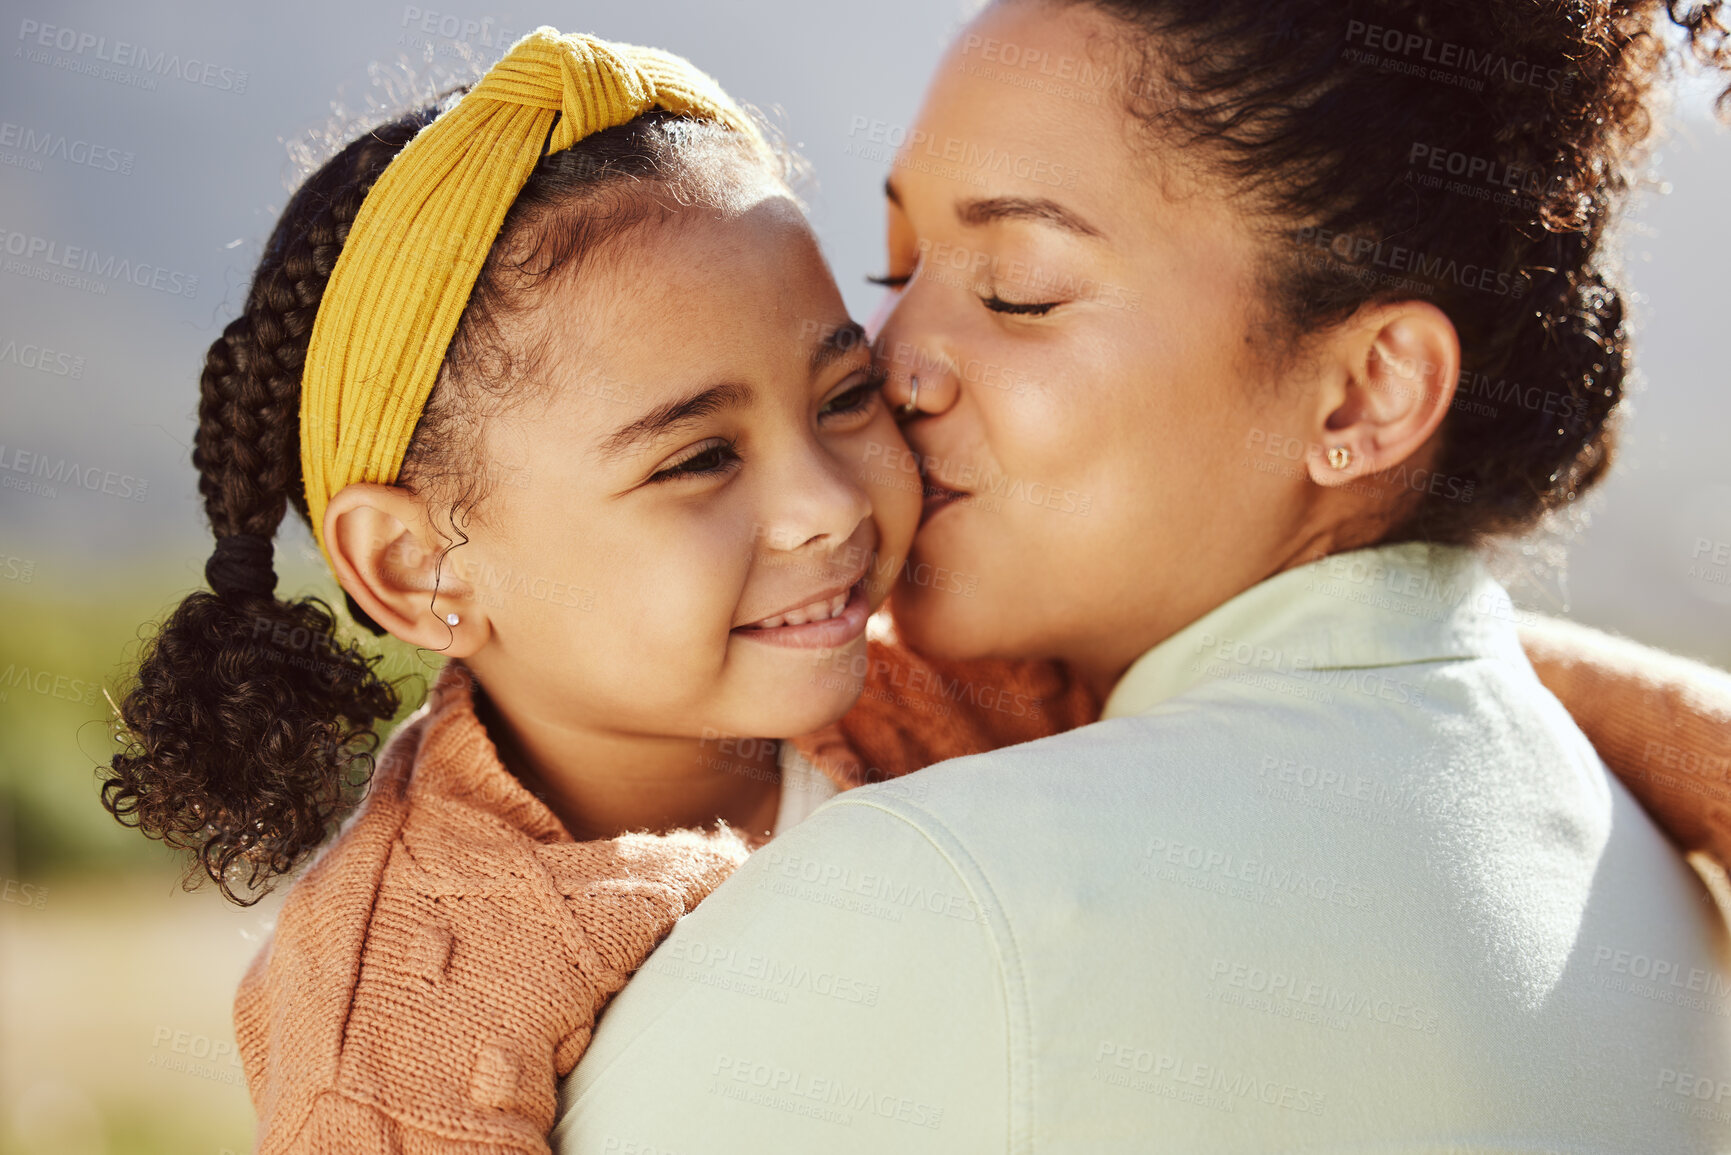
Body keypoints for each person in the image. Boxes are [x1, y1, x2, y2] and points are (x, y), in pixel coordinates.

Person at [552, 1, 1731, 1151]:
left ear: (1367, 393)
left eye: (1020, 290)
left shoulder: (928, 893)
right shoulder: (1672, 908)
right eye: (900, 267)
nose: (888, 364)